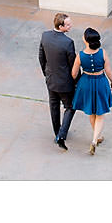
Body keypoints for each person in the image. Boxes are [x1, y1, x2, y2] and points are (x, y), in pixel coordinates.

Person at [71, 27, 112, 155]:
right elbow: (108, 71)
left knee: (91, 112)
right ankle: (95, 140)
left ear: (85, 40)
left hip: (86, 83)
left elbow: (74, 74)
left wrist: (77, 81)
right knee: (100, 114)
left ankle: (97, 136)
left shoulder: (80, 55)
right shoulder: (102, 53)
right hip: (100, 82)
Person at [38, 12, 77, 151]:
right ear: (60, 26)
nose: (70, 25)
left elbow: (41, 57)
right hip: (65, 83)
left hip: (51, 80)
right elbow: (73, 65)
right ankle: (61, 135)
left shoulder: (45, 36)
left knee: (54, 106)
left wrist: (46, 74)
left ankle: (57, 133)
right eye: (68, 24)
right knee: (70, 107)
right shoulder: (68, 43)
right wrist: (76, 81)